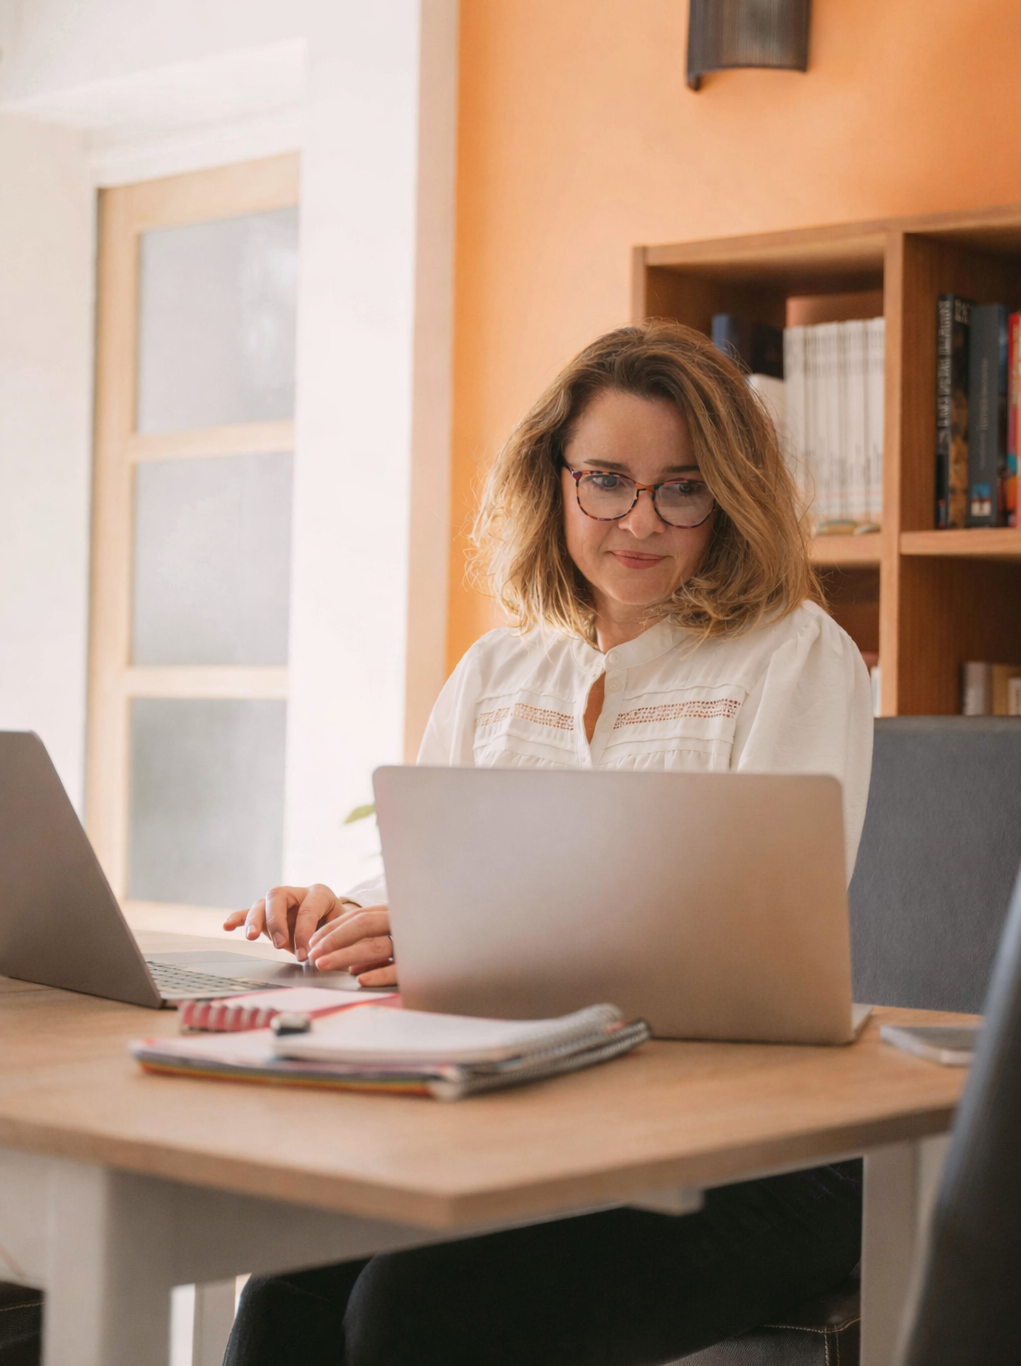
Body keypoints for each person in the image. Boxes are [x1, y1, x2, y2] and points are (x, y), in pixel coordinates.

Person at [222, 321, 873, 1366]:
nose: (639, 521)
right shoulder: (498, 668)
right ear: (557, 479)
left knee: (414, 1308)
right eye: (607, 480)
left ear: (730, 494)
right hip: (529, 1123)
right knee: (285, 1294)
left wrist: (457, 936)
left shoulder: (795, 656)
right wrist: (347, 917)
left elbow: (753, 946)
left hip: (751, 1145)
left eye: (682, 487)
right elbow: (425, 882)